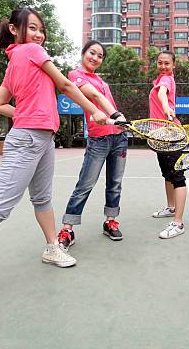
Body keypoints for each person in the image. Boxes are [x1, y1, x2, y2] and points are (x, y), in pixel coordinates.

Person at [0, 7, 107, 320]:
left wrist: (22, 113)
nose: (38, 34)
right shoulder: (31, 51)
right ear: (15, 29)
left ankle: (51, 248)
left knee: (42, 199)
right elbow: (66, 85)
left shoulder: (14, 60)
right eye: (32, 27)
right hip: (27, 140)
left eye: (40, 29)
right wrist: (93, 111)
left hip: (43, 138)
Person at [57, 40, 128, 250]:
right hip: (99, 139)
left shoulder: (102, 81)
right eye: (92, 53)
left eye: (100, 56)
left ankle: (110, 221)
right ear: (84, 53)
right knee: (85, 185)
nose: (95, 58)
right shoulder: (76, 75)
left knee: (114, 184)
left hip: (119, 138)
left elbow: (107, 101)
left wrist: (119, 123)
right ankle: (67, 229)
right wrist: (117, 115)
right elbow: (94, 96)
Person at [149, 51, 187, 239]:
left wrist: (166, 107)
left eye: (167, 63)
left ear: (173, 66)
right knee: (167, 174)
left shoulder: (167, 80)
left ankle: (178, 223)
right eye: (160, 63)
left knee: (177, 176)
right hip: (160, 135)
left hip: (171, 134)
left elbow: (163, 94)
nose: (163, 66)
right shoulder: (159, 80)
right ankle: (171, 208)